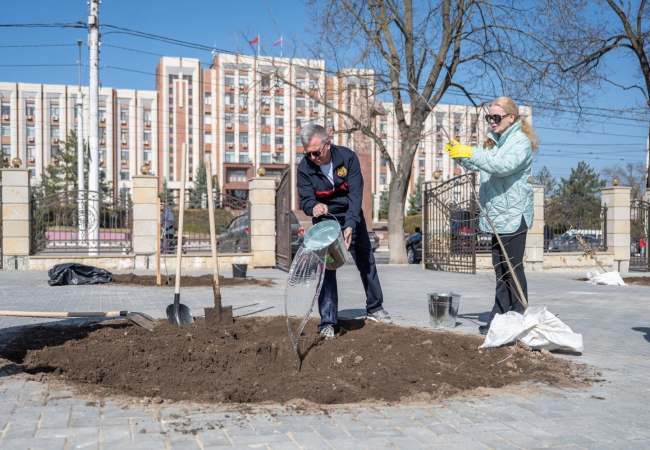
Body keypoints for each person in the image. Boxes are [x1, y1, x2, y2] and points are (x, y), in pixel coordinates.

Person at [445, 97, 537, 335]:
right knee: (501, 270)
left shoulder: (520, 142)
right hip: (498, 216)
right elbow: (482, 165)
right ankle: (500, 317)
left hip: (513, 213)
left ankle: (517, 317)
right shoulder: (494, 143)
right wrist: (460, 154)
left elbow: (501, 166)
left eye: (496, 117)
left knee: (512, 268)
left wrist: (471, 152)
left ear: (511, 118)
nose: (492, 121)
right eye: (489, 117)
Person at [297, 123, 392, 338]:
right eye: (307, 153)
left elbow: (355, 195)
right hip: (324, 222)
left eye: (316, 152)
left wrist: (350, 225)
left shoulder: (348, 158)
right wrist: (314, 206)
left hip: (351, 216)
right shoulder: (304, 167)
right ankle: (328, 322)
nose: (312, 157)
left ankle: (375, 307)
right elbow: (305, 199)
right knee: (327, 270)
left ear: (328, 144)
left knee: (366, 261)